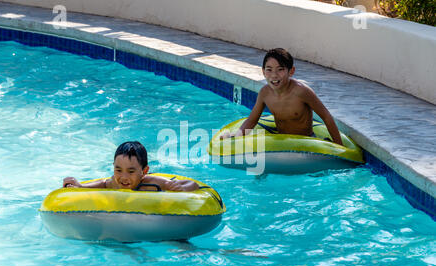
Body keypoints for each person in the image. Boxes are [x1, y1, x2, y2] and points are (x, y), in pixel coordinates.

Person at [220, 48, 343, 145]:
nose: (274, 75)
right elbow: (252, 120)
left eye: (280, 69)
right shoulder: (265, 93)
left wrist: (339, 147)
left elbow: (326, 117)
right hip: (281, 141)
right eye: (269, 70)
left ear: (291, 71)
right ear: (263, 71)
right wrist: (237, 135)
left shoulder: (301, 91)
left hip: (306, 142)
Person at [63, 141, 199, 191]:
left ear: (144, 171)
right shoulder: (115, 183)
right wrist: (80, 186)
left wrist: (181, 187)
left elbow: (193, 184)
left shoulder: (153, 183)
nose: (123, 177)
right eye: (118, 170)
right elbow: (103, 183)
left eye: (131, 171)